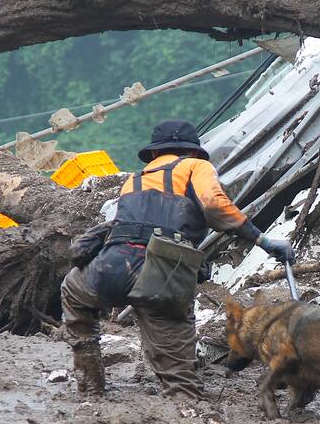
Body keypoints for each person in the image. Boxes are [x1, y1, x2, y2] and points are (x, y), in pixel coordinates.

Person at [60, 119, 293, 400]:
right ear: (192, 151)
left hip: (112, 267)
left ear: (154, 153)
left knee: (73, 290)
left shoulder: (134, 180)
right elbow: (214, 204)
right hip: (163, 275)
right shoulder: (196, 166)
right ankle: (189, 409)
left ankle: (91, 386)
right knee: (178, 376)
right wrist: (264, 241)